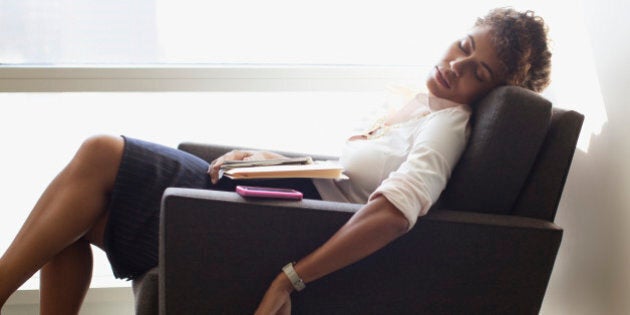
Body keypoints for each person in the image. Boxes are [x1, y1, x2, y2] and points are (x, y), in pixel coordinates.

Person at [0, 7, 551, 314]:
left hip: (274, 227)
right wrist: (275, 159)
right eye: (463, 45)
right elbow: (351, 174)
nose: (458, 64)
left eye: (478, 71)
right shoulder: (419, 106)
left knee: (101, 154)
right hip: (274, 198)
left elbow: (393, 213)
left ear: (491, 93)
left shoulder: (448, 129)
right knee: (74, 221)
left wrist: (291, 278)